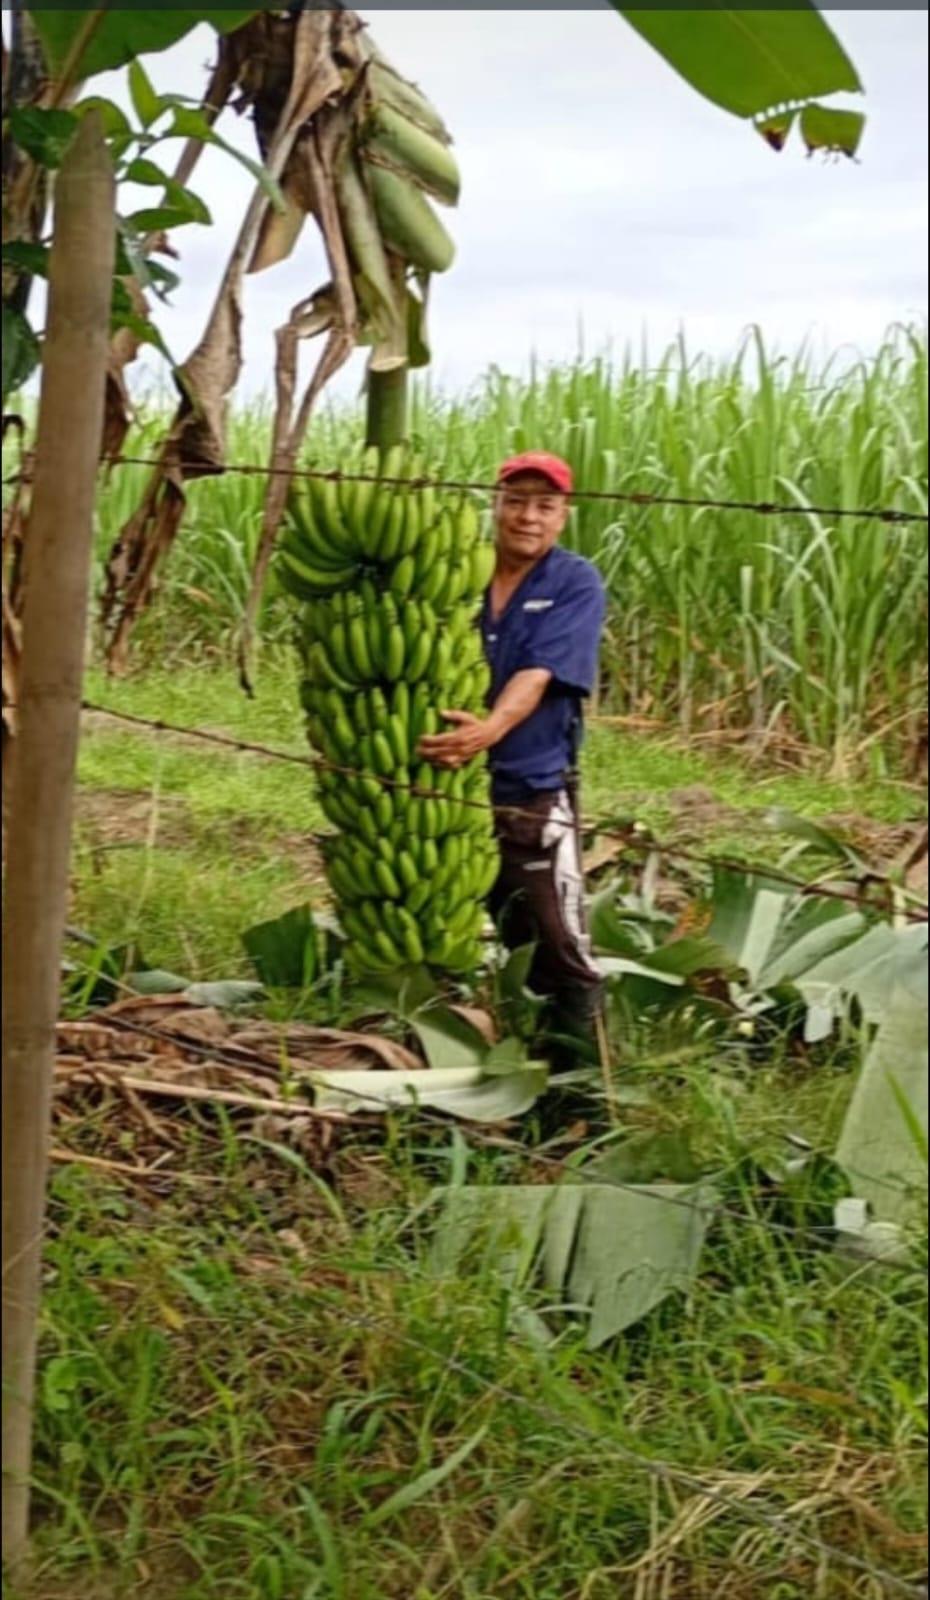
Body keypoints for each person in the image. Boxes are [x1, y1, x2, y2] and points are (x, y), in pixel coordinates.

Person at [418, 451, 607, 1062]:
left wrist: (491, 728)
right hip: (438, 784)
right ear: (495, 506)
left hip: (530, 787)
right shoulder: (455, 573)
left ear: (563, 516)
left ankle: (583, 1085)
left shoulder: (573, 582)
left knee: (556, 941)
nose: (529, 517)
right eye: (516, 502)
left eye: (545, 506)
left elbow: (541, 672)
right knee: (440, 922)